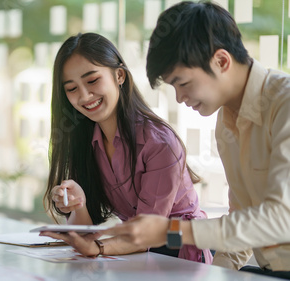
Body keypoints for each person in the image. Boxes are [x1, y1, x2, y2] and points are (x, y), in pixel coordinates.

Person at [99, 2, 290, 279]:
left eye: (183, 83)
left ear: (221, 61)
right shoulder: (226, 124)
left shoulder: (283, 104)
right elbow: (243, 222)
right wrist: (211, 275)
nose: (179, 97)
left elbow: (281, 219)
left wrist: (172, 231)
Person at [40, 32, 212, 263]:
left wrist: (98, 248)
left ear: (119, 75)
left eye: (92, 81)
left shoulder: (159, 143)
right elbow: (84, 235)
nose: (84, 95)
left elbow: (146, 233)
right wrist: (78, 204)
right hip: (139, 254)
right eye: (71, 88)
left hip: (180, 252)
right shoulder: (86, 141)